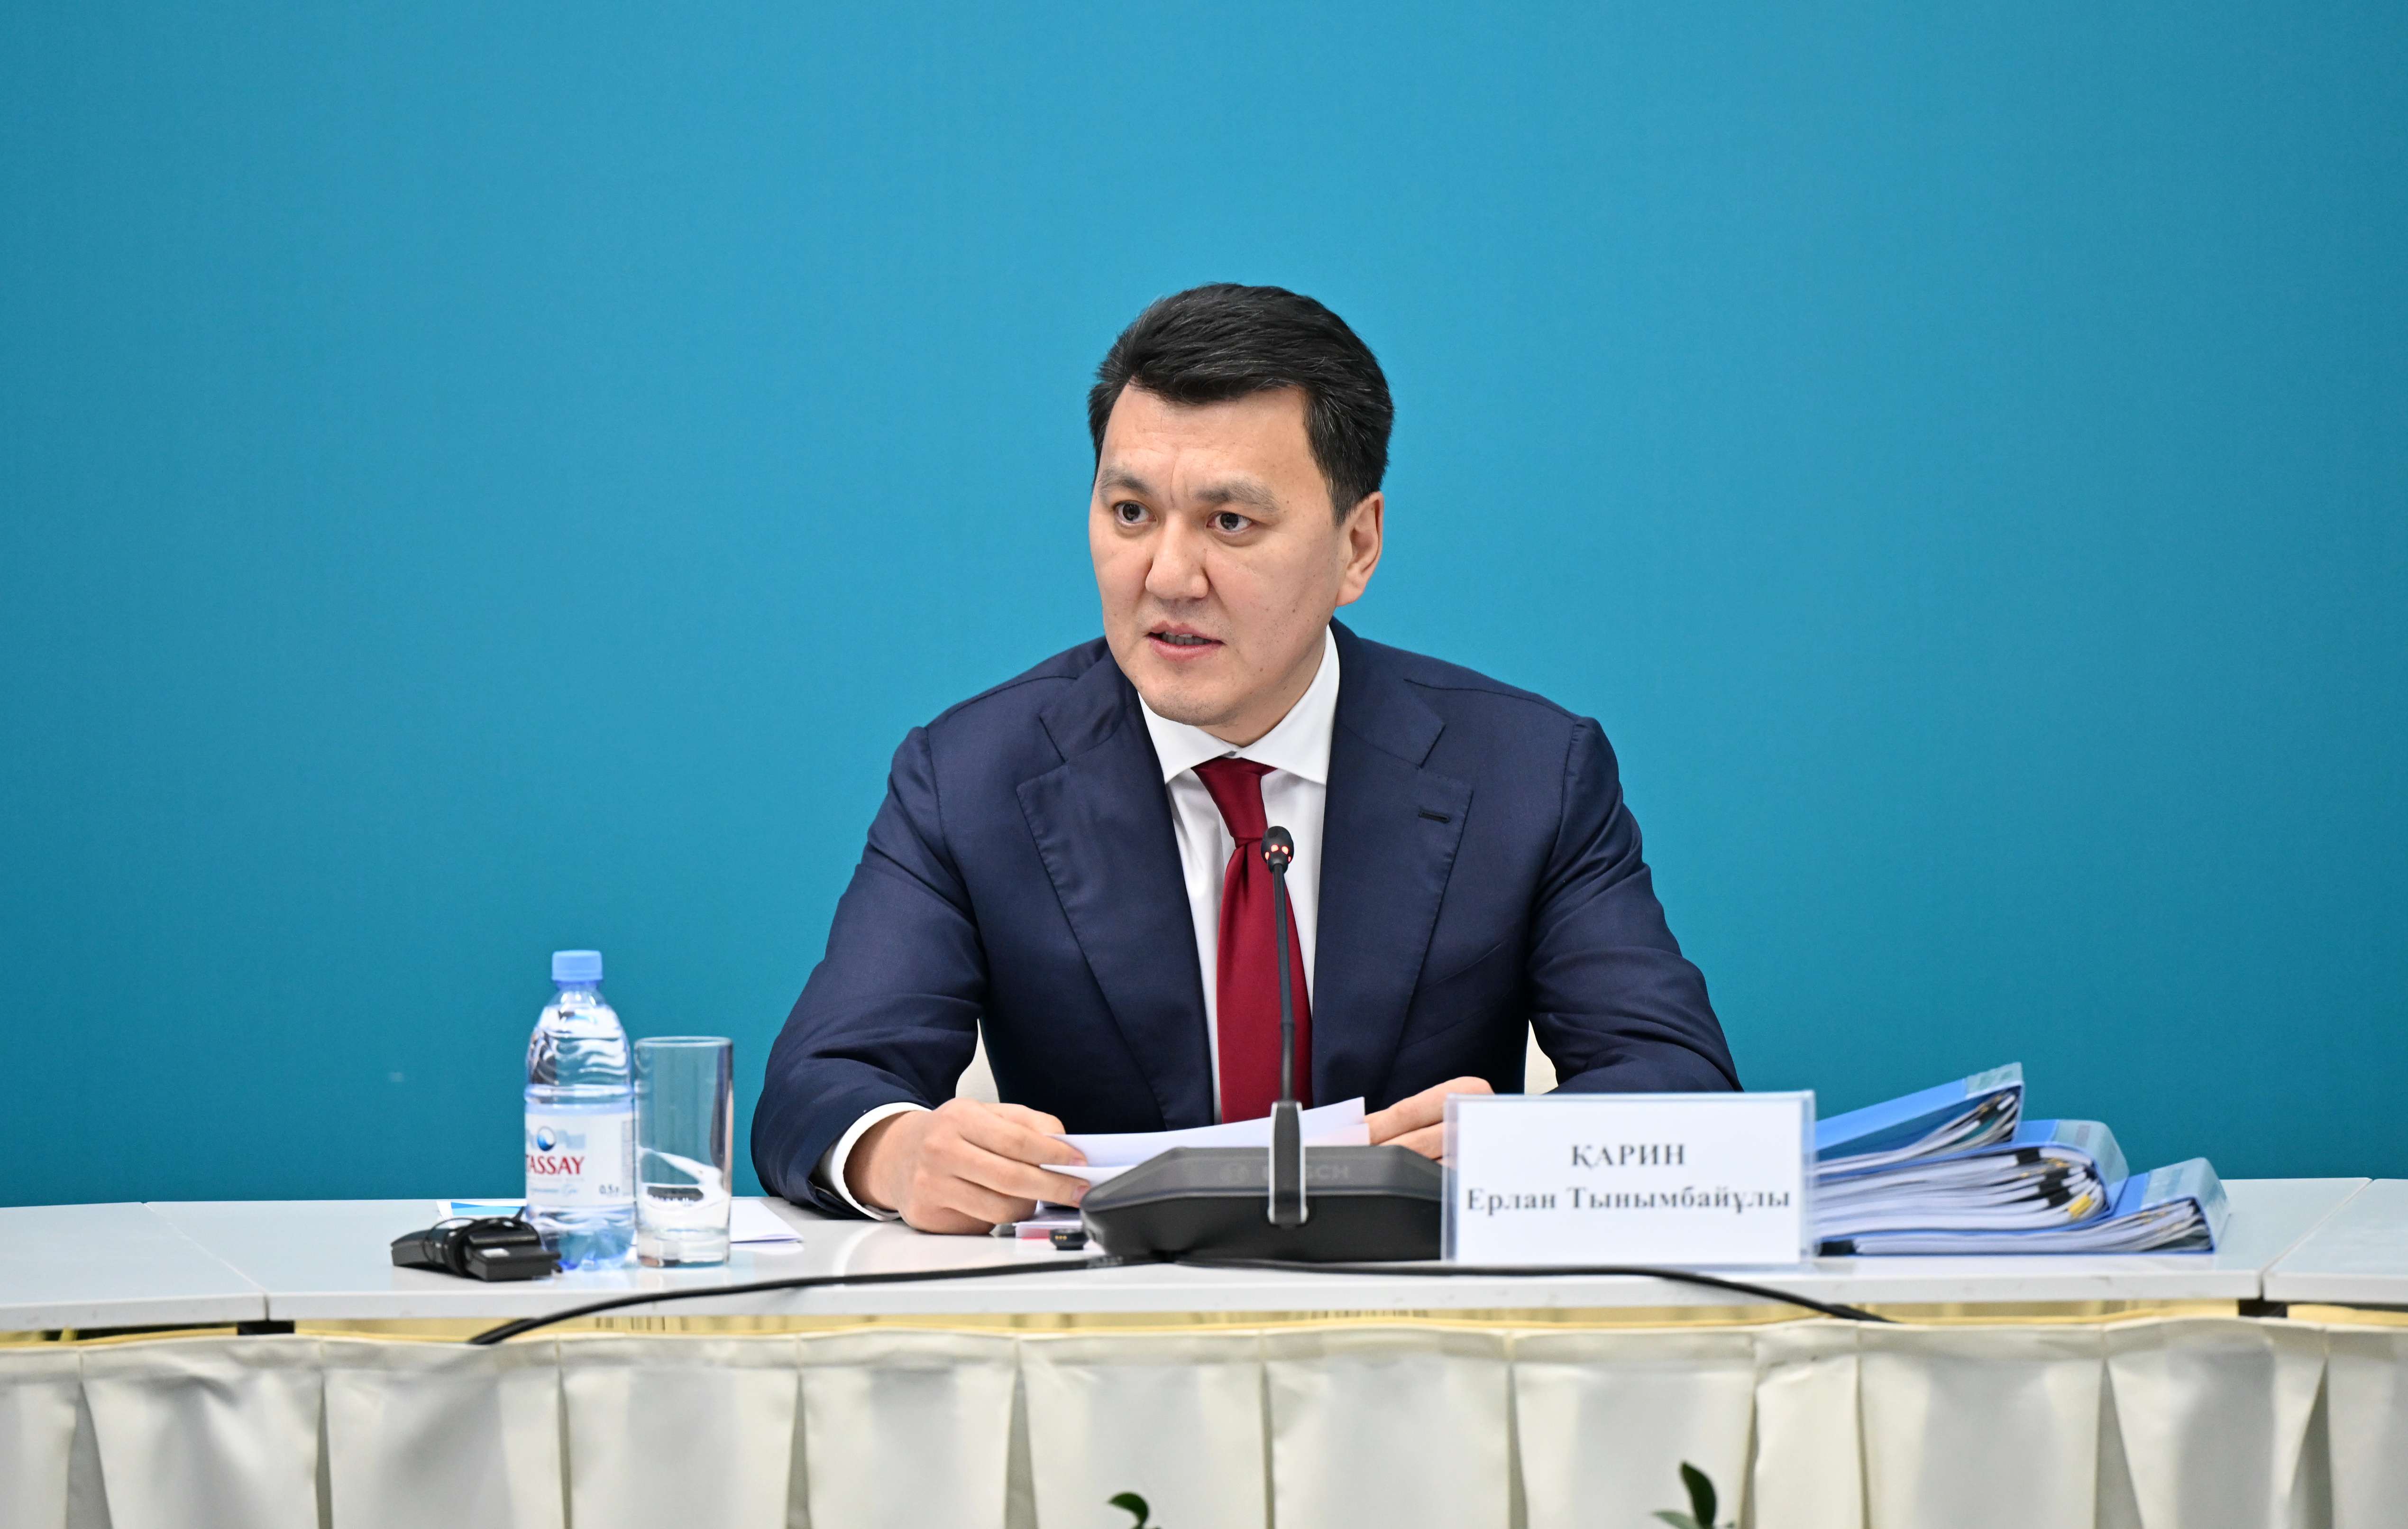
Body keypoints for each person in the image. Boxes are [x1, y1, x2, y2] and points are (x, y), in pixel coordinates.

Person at [753, 284, 1737, 1231]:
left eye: (1230, 523)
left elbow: (1679, 1082)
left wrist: (1519, 1154)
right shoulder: (972, 778)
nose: (1168, 576)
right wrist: (897, 1154)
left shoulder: (1526, 774)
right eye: (1131, 513)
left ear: (1357, 546)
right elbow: (818, 1086)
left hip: (1413, 1322)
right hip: (1105, 1323)